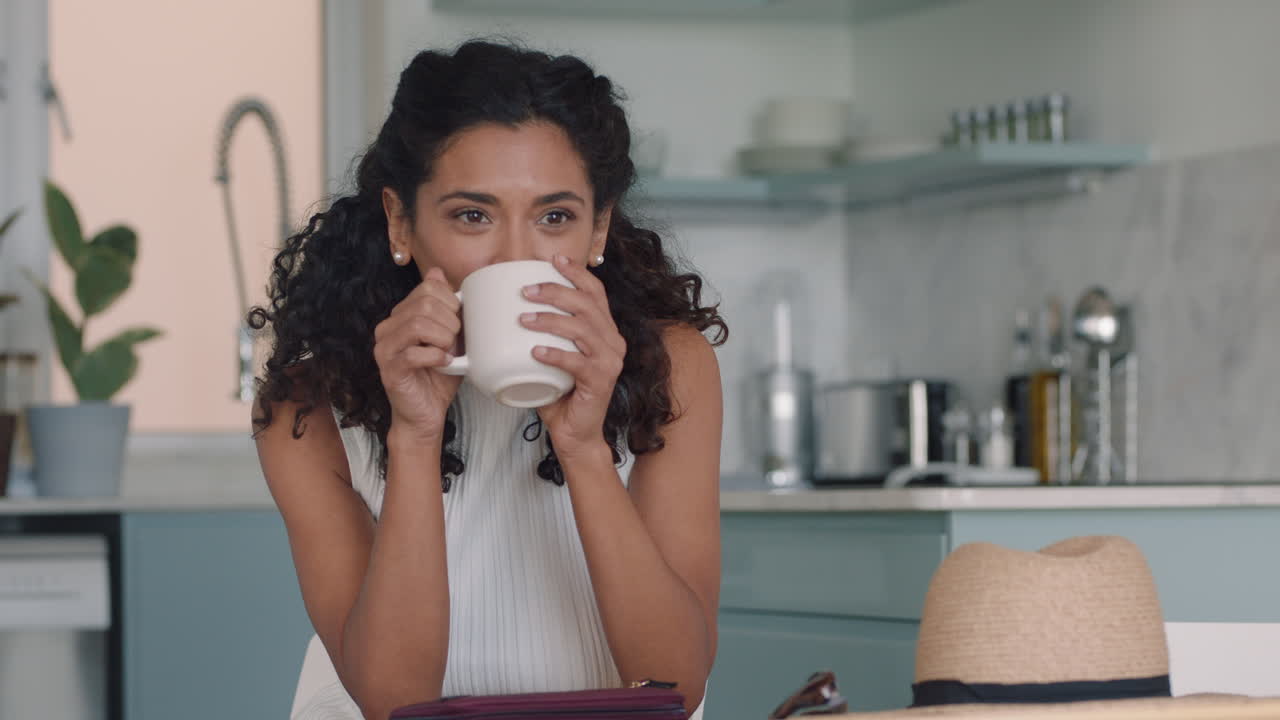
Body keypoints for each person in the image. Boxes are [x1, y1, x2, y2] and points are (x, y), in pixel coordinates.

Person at [250, 39, 728, 720]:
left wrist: (584, 447)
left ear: (598, 229)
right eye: (472, 215)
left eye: (555, 217)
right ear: (400, 223)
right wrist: (415, 436)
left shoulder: (671, 366)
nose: (514, 257)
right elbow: (394, 701)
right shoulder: (308, 407)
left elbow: (674, 685)